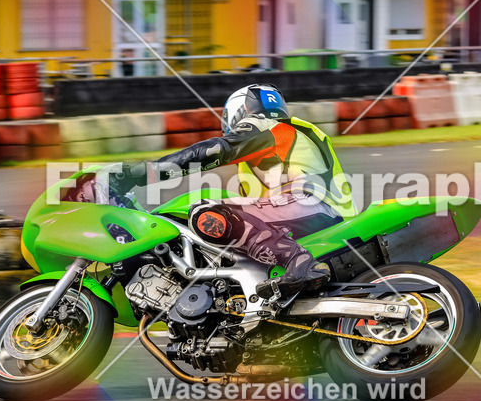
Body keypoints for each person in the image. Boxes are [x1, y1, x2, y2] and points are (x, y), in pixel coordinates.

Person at [106, 84, 356, 300]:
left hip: (308, 205)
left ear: (240, 111)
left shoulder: (266, 127)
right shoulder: (287, 141)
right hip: (321, 212)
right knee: (230, 224)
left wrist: (142, 173)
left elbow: (212, 152)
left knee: (206, 213)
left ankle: (299, 262)